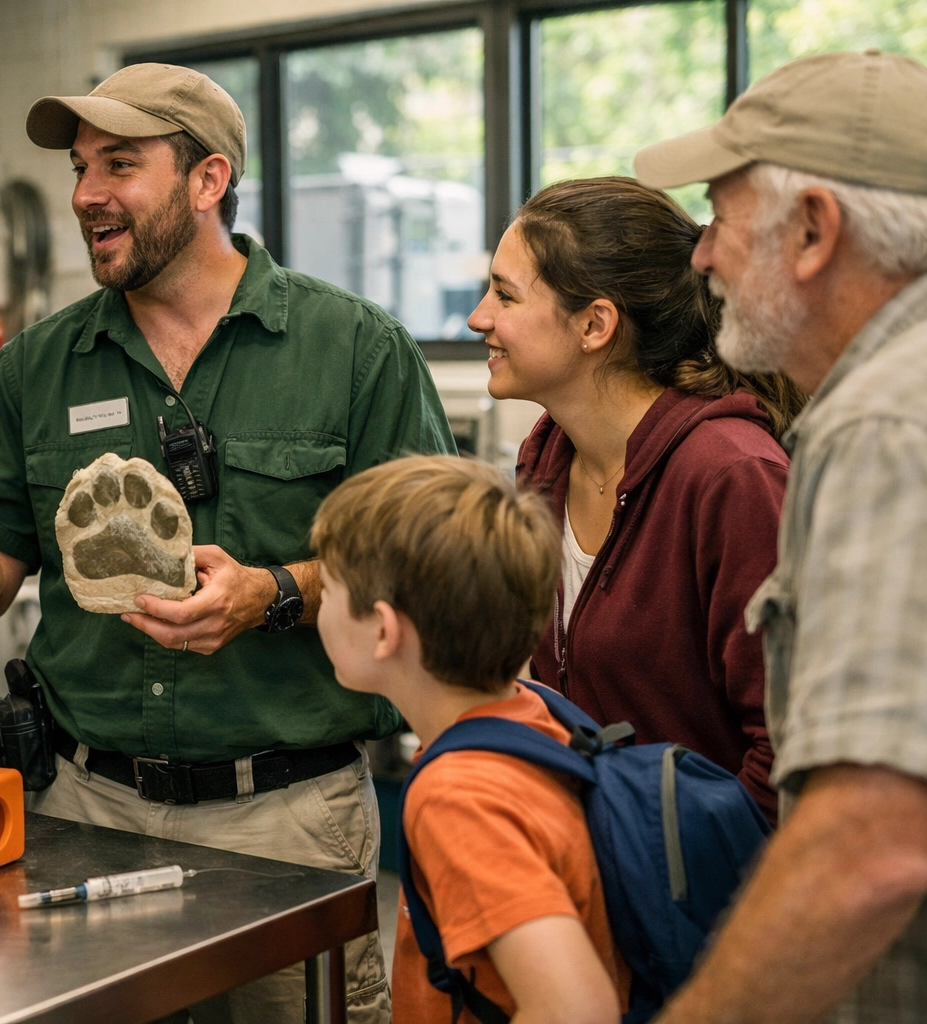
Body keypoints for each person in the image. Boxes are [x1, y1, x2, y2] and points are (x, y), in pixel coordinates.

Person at [0, 62, 454, 1021]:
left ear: (207, 181)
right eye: (82, 166)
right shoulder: (38, 367)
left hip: (288, 821)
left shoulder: (355, 350)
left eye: (120, 164)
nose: (87, 194)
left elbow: (428, 567)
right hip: (86, 814)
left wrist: (274, 592)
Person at [631, 50, 927, 1023]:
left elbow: (873, 844)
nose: (703, 254)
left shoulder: (883, 424)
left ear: (812, 230)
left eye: (720, 216)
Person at [467, 177, 804, 821]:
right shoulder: (546, 461)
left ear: (595, 324)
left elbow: (788, 751)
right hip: (603, 873)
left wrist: (696, 876)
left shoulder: (732, 476)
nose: (479, 317)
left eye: (504, 294)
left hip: (702, 894)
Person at [311, 455, 628, 1024]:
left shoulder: (460, 797)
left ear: (383, 630)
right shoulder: (535, 716)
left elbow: (577, 1007)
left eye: (328, 590)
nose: (321, 611)